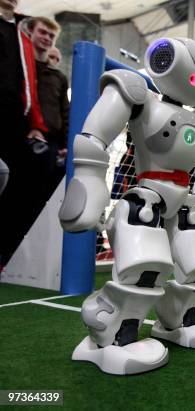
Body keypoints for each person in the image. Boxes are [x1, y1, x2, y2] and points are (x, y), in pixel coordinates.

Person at [0, 0, 48, 266]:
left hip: (14, 117)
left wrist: (36, 125)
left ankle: (5, 251)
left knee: (29, 175)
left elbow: (29, 82)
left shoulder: (21, 32)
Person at [27, 16, 70, 203]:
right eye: (43, 32)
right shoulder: (21, 68)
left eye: (51, 35)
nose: (47, 37)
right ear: (31, 32)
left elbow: (65, 112)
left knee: (42, 194)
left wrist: (67, 143)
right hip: (25, 136)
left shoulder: (58, 78)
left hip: (52, 142)